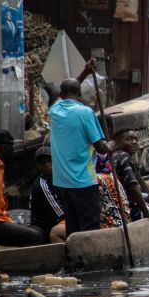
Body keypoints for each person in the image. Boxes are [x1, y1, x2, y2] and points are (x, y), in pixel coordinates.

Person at [49, 79, 110, 236]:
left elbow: (67, 91)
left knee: (73, 225)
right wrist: (119, 144)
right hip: (82, 180)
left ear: (61, 94)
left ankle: (75, 257)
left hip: (62, 181)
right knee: (90, 226)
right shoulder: (85, 112)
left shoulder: (54, 110)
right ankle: (89, 258)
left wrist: (84, 72)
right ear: (80, 93)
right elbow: (102, 147)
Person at [0, 129, 44, 247]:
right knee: (35, 236)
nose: (13, 150)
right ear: (4, 147)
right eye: (11, 146)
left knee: (38, 231)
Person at [110, 127, 149, 224]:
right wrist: (148, 211)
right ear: (117, 142)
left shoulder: (114, 156)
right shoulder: (123, 157)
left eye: (136, 139)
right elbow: (133, 189)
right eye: (129, 139)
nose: (134, 142)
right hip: (129, 208)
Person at [30, 146, 67, 243]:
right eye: (42, 163)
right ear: (38, 166)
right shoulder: (41, 185)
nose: (47, 165)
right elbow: (60, 213)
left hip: (59, 221)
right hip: (46, 228)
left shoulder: (60, 177)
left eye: (49, 161)